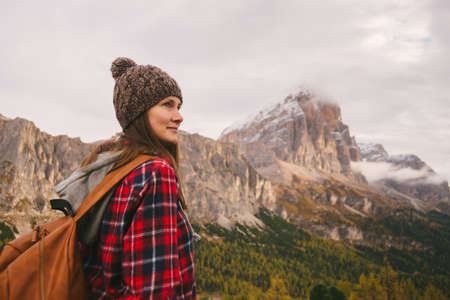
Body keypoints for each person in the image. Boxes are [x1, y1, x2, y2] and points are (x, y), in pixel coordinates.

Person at [54, 57, 198, 299]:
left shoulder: (108, 163)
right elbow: (153, 291)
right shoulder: (155, 173)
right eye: (167, 105)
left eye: (179, 107)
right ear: (138, 113)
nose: (179, 116)